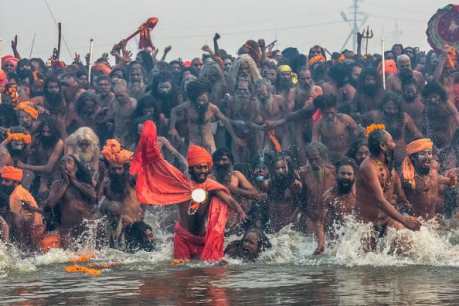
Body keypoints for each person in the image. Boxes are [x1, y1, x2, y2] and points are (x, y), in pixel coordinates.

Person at [130, 121, 246, 262]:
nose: (202, 171)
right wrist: (159, 150)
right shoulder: (181, 185)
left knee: (208, 273)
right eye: (198, 168)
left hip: (202, 238)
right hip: (183, 238)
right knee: (183, 273)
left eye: (204, 167)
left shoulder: (211, 186)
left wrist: (240, 212)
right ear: (192, 169)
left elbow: (229, 200)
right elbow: (164, 168)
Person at [355, 124, 420, 247]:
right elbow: (380, 200)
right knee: (367, 262)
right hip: (368, 225)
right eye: (391, 141)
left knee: (409, 245)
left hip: (387, 220)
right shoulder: (368, 167)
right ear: (383, 146)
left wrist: (406, 204)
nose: (395, 144)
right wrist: (404, 220)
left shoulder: (388, 163)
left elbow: (398, 192)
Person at [169, 79, 243, 153]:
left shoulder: (212, 108)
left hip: (209, 143)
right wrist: (172, 128)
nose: (201, 101)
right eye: (199, 98)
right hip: (193, 143)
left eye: (203, 98)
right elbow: (174, 111)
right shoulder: (187, 106)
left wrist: (234, 137)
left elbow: (225, 120)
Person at [43, 155, 97, 246]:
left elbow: (93, 197)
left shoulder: (84, 183)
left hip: (85, 226)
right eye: (62, 162)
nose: (65, 164)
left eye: (69, 161)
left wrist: (74, 181)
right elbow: (50, 204)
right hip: (66, 229)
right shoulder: (57, 185)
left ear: (75, 167)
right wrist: (66, 184)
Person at [99, 139, 143, 248]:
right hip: (113, 228)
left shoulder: (132, 181)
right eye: (113, 169)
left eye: (119, 169)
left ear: (125, 169)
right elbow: (97, 202)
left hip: (134, 226)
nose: (116, 172)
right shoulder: (106, 183)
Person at [401, 138, 456, 220]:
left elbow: (449, 182)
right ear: (413, 157)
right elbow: (397, 199)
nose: (427, 157)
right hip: (416, 224)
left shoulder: (433, 174)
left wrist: (452, 179)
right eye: (423, 154)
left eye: (429, 153)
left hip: (433, 223)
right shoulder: (407, 178)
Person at [212, 148, 266, 230]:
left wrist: (234, 189)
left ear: (231, 161)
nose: (220, 163)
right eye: (217, 160)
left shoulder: (237, 176)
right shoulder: (211, 179)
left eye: (224, 160)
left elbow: (255, 195)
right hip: (216, 223)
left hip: (236, 222)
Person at [314, 158, 357, 255]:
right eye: (343, 173)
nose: (346, 176)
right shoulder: (328, 197)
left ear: (354, 176)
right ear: (336, 175)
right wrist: (321, 243)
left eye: (349, 174)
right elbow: (320, 222)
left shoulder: (360, 196)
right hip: (335, 245)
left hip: (355, 242)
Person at [0, 166, 44, 251]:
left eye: (7, 181)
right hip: (36, 229)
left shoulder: (16, 196)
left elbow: (20, 222)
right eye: (3, 180)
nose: (3, 183)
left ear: (15, 182)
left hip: (32, 232)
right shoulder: (20, 190)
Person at [260, 154, 303, 233]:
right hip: (273, 225)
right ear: (273, 169)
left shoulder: (295, 185)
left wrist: (292, 219)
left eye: (283, 168)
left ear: (287, 168)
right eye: (277, 168)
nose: (280, 171)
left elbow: (301, 204)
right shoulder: (267, 184)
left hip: (290, 226)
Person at [312, 94, 359, 164]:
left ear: (335, 109)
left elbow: (357, 133)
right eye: (326, 114)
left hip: (349, 154)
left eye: (331, 113)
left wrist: (353, 149)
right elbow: (314, 143)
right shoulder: (318, 124)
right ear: (321, 112)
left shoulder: (345, 119)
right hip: (331, 158)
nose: (329, 116)